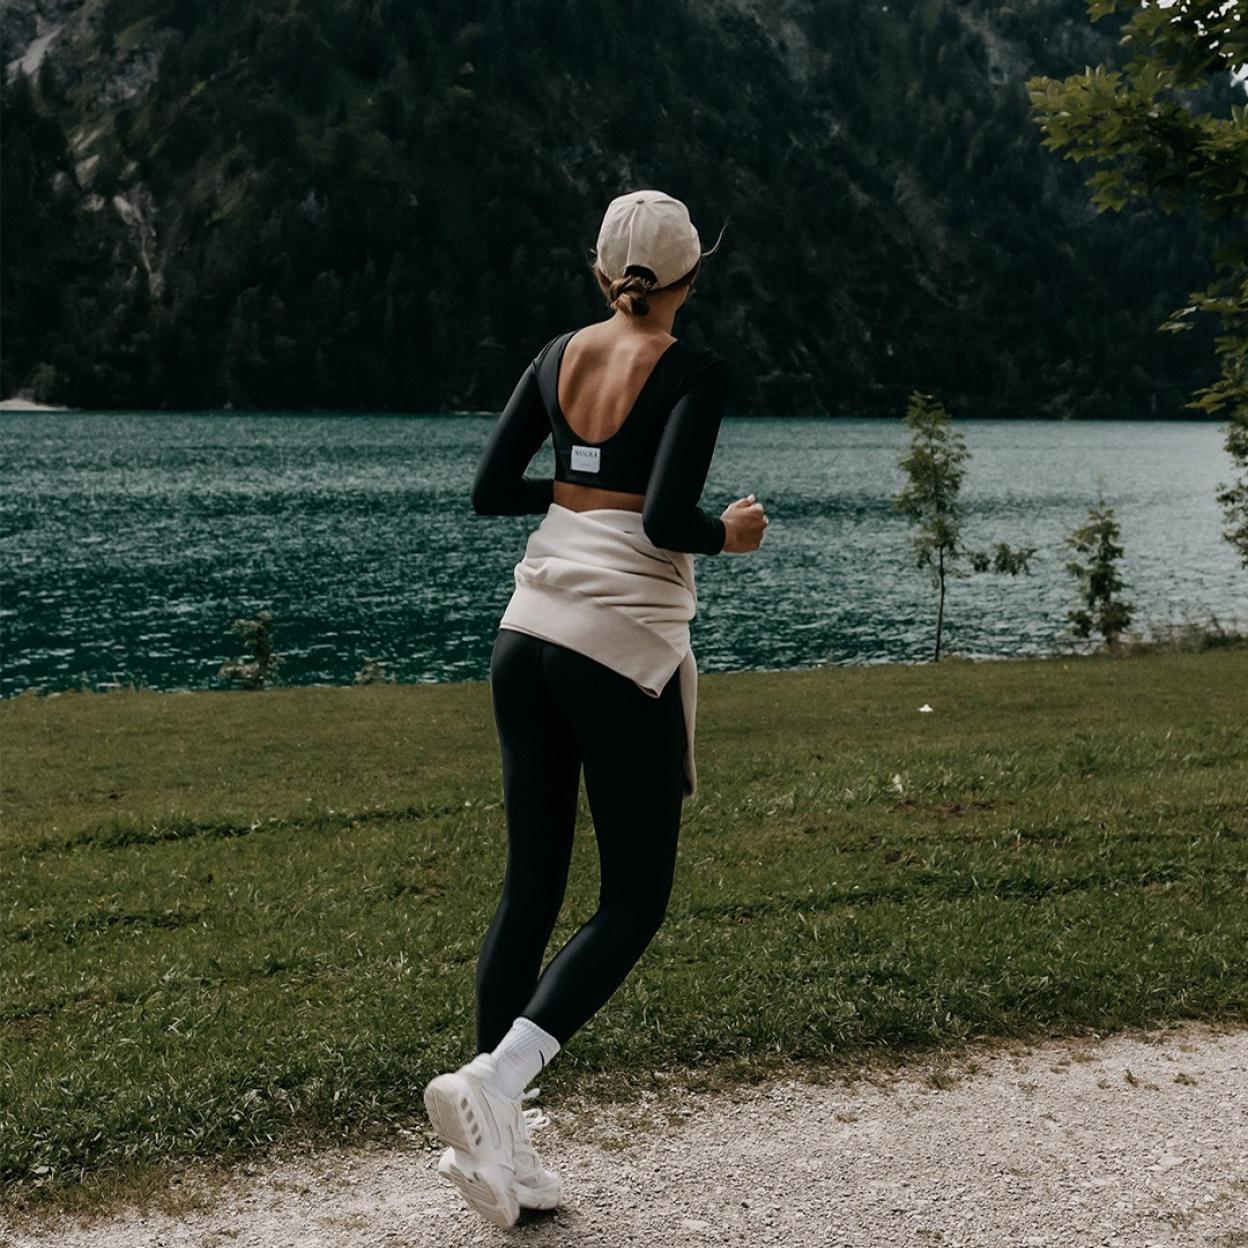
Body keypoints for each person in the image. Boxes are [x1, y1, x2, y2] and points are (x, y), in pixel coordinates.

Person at [423, 189, 768, 1228]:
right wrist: (729, 533)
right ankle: (495, 1086)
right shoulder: (694, 372)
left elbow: (493, 490)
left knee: (530, 889)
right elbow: (665, 520)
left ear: (601, 272)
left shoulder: (554, 356)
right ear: (693, 276)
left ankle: (501, 1154)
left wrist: (577, 495)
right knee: (634, 900)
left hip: (525, 635)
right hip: (616, 648)